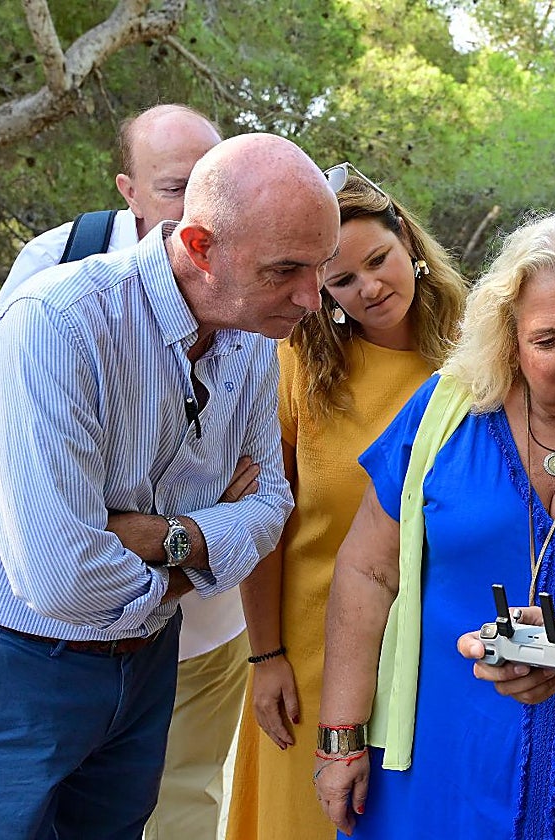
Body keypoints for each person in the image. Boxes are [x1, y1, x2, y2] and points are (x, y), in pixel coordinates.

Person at [0, 133, 340, 839]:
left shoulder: (256, 334)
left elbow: (270, 505)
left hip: (144, 662)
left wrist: (165, 536)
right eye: (287, 270)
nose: (311, 299)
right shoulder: (58, 324)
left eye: (321, 268)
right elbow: (62, 580)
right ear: (199, 246)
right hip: (7, 664)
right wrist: (207, 551)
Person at [314, 211, 555, 839]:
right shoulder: (445, 415)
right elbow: (367, 568)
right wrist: (340, 737)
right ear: (510, 342)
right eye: (548, 339)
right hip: (434, 763)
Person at [0, 103, 250, 840]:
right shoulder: (58, 280)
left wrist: (160, 537)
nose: (195, 208)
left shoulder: (248, 289)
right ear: (128, 189)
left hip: (199, 630)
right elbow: (2, 455)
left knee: (180, 807)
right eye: (174, 187)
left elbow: (262, 488)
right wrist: (201, 531)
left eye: (212, 182)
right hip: (39, 639)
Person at [225, 163, 468, 840]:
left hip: (434, 654)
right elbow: (265, 524)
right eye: (343, 280)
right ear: (322, 290)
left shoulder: (478, 361)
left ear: (409, 244)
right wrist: (265, 655)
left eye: (378, 261)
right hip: (308, 654)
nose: (370, 287)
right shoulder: (297, 368)